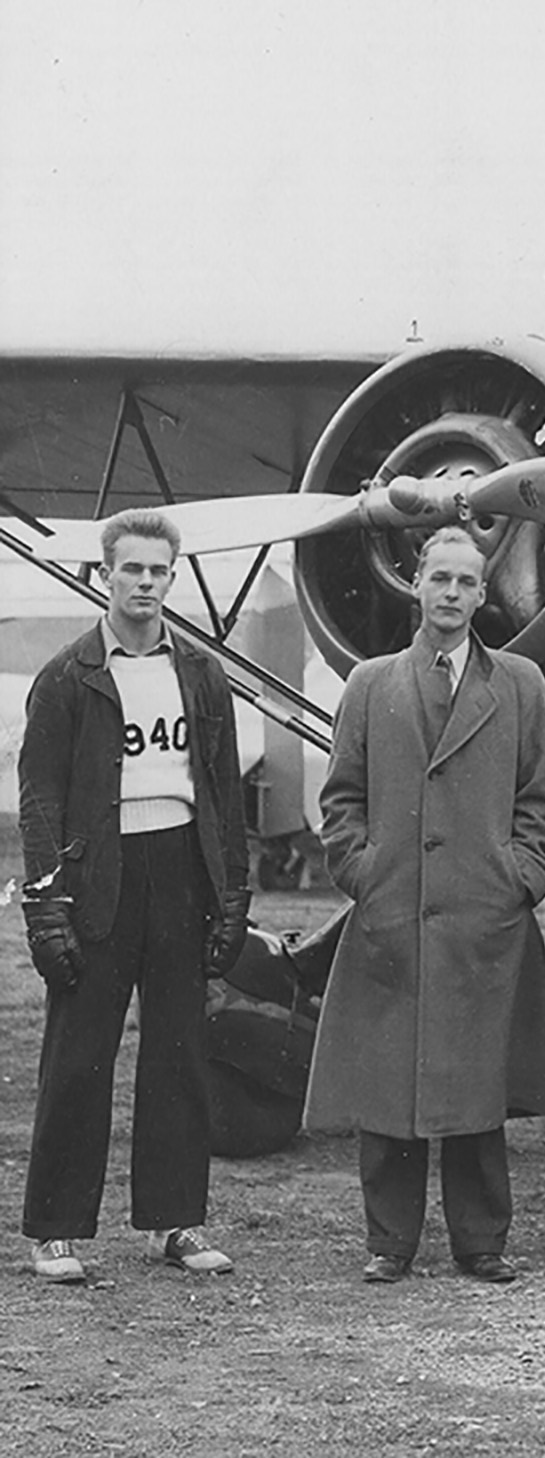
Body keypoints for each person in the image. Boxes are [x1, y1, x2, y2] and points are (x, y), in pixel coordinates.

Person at [305, 527, 545, 1285]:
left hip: (485, 914)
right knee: (391, 1083)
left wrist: (520, 875)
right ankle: (390, 1242)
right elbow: (341, 797)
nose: (451, 593)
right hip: (395, 909)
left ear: (484, 595)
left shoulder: (520, 684)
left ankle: (482, 1242)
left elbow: (539, 797)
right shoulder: (371, 683)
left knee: (478, 1081)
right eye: (439, 578)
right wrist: (364, 872)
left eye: (466, 582)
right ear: (415, 585)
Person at [18, 509, 250, 1283]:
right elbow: (40, 799)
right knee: (79, 1053)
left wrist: (233, 892)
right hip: (100, 877)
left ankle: (173, 1223)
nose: (145, 583)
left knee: (180, 1051)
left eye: (158, 571)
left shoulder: (201, 672)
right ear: (106, 575)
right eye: (133, 570)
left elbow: (222, 788)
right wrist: (47, 905)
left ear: (172, 578)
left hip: (180, 868)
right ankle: (54, 1230)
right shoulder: (68, 676)